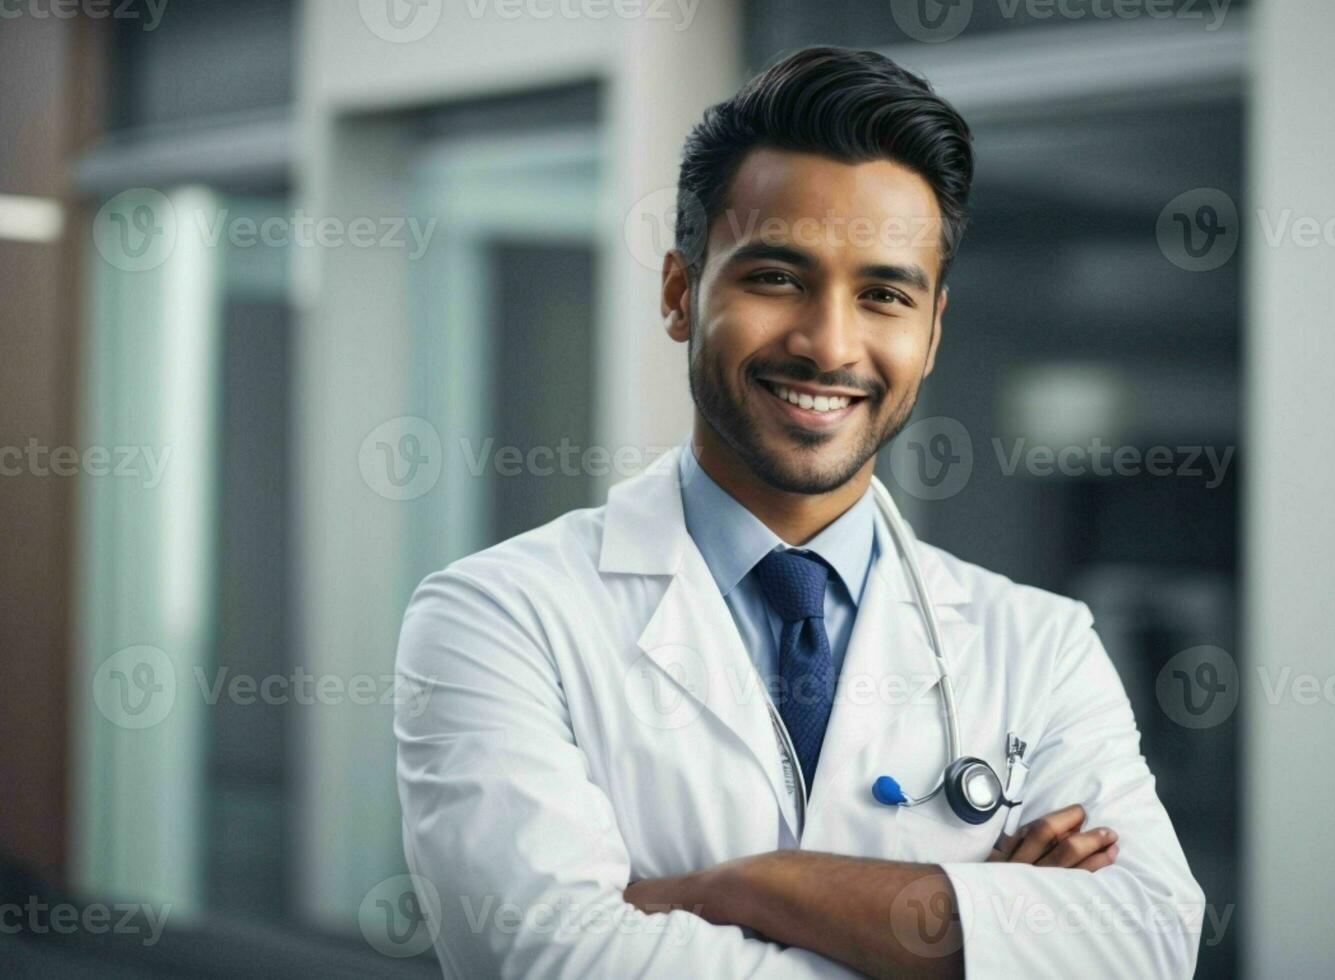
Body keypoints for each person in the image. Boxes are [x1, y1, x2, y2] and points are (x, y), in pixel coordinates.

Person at [394, 45, 1205, 978]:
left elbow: (1144, 946)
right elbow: (551, 961)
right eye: (776, 277)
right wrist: (986, 934)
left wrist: (747, 886)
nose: (829, 345)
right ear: (679, 293)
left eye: (884, 295)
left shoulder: (1042, 645)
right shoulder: (498, 617)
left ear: (932, 330)